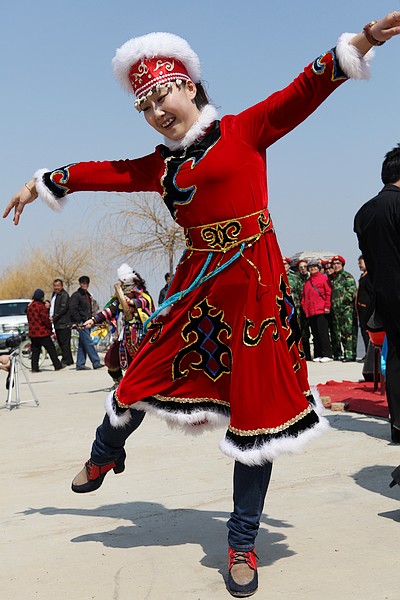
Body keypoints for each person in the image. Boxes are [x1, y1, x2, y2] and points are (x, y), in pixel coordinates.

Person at [4, 15, 400, 597]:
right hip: (199, 286)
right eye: (144, 107)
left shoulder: (245, 130)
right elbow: (104, 172)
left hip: (257, 293)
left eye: (162, 95)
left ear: (188, 85)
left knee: (258, 422)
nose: (156, 112)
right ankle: (104, 453)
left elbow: (305, 88)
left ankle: (241, 543)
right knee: (136, 375)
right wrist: (42, 183)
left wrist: (363, 41)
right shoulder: (160, 166)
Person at [354, 144, 400, 447]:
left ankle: (397, 424)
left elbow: (370, 259)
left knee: (395, 356)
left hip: (384, 294)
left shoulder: (365, 212)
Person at [84, 264, 154, 385]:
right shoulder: (119, 302)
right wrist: (93, 320)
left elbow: (144, 302)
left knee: (144, 363)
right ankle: (119, 382)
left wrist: (131, 302)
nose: (126, 295)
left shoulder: (144, 298)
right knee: (111, 358)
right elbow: (109, 310)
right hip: (126, 336)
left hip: (143, 336)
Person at [301, 259, 333, 362]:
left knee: (322, 333)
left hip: (321, 310)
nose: (312, 268)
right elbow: (304, 297)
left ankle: (327, 354)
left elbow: (328, 293)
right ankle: (318, 354)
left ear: (319, 268)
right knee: (315, 334)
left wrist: (327, 306)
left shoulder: (324, 279)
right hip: (311, 312)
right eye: (310, 267)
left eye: (315, 267)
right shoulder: (307, 282)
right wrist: (305, 309)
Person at [69, 276, 103, 370]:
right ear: (80, 284)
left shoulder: (87, 295)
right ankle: (96, 362)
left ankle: (80, 364)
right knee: (88, 342)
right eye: (83, 283)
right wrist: (79, 321)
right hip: (81, 322)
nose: (85, 285)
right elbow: (72, 309)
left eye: (86, 283)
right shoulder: (76, 295)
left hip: (87, 321)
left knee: (83, 343)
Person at [330, 254, 358, 361]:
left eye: (338, 263)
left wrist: (343, 301)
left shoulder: (347, 277)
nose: (336, 266)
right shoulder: (333, 279)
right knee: (339, 333)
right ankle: (342, 353)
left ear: (342, 265)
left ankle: (350, 354)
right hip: (336, 311)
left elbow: (352, 292)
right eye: (334, 264)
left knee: (349, 332)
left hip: (347, 310)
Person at [26, 289, 63, 372]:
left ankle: (34, 368)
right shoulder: (41, 306)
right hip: (42, 332)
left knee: (35, 350)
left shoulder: (30, 307)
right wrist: (49, 327)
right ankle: (57, 365)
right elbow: (45, 319)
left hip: (33, 332)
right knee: (51, 349)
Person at [50, 278, 74, 366]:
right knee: (61, 342)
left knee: (64, 343)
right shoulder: (54, 294)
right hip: (57, 323)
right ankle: (69, 359)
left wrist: (54, 317)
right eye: (55, 286)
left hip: (64, 323)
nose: (56, 288)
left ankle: (65, 360)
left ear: (62, 286)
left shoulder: (64, 295)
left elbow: (62, 309)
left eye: (58, 286)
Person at [355, 255, 373, 356]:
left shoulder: (369, 277)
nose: (359, 265)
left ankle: (370, 355)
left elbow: (371, 294)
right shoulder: (363, 276)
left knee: (367, 332)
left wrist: (366, 305)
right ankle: (367, 353)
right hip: (361, 310)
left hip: (366, 309)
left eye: (361, 262)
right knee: (363, 332)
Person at [296, 259, 312, 361]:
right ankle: (303, 355)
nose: (303, 269)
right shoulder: (296, 279)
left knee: (313, 332)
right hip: (299, 310)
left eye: (305, 267)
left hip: (311, 309)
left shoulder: (312, 278)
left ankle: (311, 354)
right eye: (301, 267)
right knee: (302, 333)